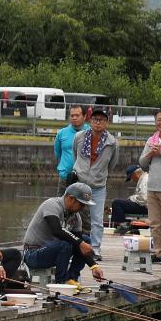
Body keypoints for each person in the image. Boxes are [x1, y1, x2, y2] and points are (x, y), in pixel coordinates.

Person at [23, 183, 100, 283]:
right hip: (33, 253)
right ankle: (61, 283)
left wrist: (93, 266)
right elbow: (57, 230)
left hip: (54, 251)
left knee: (85, 239)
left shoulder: (76, 216)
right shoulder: (51, 205)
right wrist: (80, 243)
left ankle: (72, 279)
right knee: (66, 244)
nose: (83, 207)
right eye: (81, 204)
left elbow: (80, 244)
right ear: (71, 198)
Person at [70, 104, 116, 248]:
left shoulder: (112, 142)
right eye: (95, 119)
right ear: (90, 121)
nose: (98, 122)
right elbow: (75, 155)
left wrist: (99, 174)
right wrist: (80, 171)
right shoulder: (79, 136)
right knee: (71, 215)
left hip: (98, 186)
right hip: (79, 183)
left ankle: (95, 248)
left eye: (101, 120)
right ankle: (71, 244)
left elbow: (112, 164)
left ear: (106, 122)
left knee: (96, 219)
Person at [139, 107, 161, 260]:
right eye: (158, 120)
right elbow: (142, 164)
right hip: (152, 187)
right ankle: (157, 251)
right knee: (154, 223)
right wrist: (151, 153)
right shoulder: (151, 140)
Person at [52, 101, 87, 185]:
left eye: (77, 115)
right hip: (65, 177)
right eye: (72, 115)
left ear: (84, 116)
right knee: (61, 198)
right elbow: (58, 153)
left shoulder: (90, 133)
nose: (74, 118)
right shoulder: (61, 133)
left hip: (83, 179)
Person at [112, 162, 150, 233]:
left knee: (116, 202)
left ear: (135, 174)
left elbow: (144, 199)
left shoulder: (145, 180)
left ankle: (124, 226)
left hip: (146, 208)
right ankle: (126, 225)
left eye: (131, 178)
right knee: (123, 204)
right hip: (147, 207)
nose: (132, 180)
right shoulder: (144, 178)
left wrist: (132, 199)